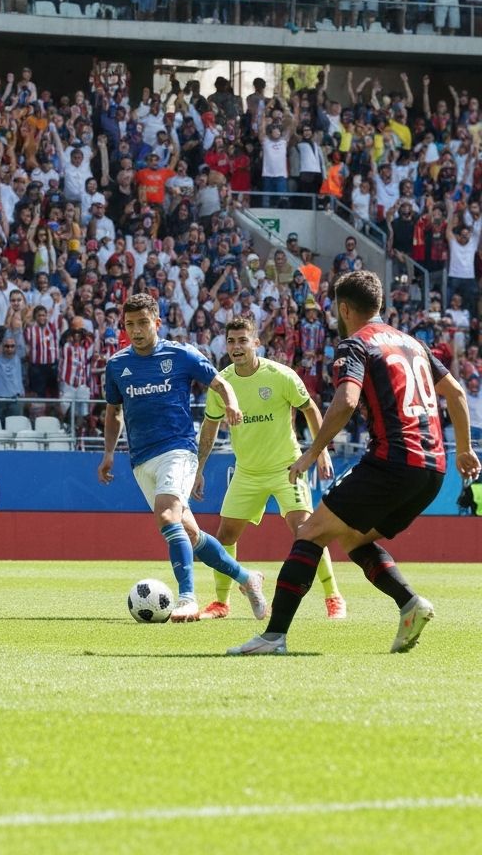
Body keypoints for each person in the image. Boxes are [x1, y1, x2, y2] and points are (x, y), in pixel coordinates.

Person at [229, 271, 481, 656]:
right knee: (351, 537)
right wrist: (463, 449)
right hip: (433, 468)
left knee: (310, 531)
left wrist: (312, 452)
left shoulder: (356, 345)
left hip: (392, 460)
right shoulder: (412, 343)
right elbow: (458, 393)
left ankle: (273, 636)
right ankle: (409, 603)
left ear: (343, 308)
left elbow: (346, 401)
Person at [98, 293, 267, 622]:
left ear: (157, 323)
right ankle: (248, 578)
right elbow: (114, 413)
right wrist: (107, 453)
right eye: (129, 324)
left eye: (143, 322)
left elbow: (219, 382)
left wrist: (231, 403)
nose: (136, 330)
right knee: (189, 533)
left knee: (166, 516)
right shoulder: (117, 365)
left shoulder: (180, 354)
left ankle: (188, 597)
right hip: (141, 460)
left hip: (178, 449)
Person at [193, 316, 347, 620]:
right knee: (225, 535)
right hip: (247, 472)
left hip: (285, 468)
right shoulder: (221, 384)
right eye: (232, 341)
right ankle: (221, 603)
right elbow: (210, 427)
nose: (237, 347)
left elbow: (310, 409)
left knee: (307, 532)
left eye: (243, 340)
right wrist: (199, 468)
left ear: (256, 343)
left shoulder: (280, 375)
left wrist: (321, 452)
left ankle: (334, 597)